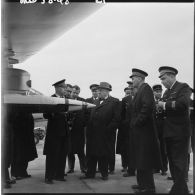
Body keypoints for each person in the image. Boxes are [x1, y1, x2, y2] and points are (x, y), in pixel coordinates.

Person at [157, 66, 191, 194]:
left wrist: (164, 105)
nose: (162, 82)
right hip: (169, 132)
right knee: (173, 163)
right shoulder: (166, 92)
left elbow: (183, 104)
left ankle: (178, 190)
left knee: (179, 163)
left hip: (179, 132)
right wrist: (159, 107)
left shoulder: (183, 87)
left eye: (164, 78)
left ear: (172, 76)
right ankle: (181, 190)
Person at [128, 68, 162, 194]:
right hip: (139, 132)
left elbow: (147, 107)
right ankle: (141, 184)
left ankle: (149, 188)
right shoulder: (139, 91)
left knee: (145, 160)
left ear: (140, 78)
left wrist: (137, 122)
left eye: (133, 78)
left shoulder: (146, 88)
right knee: (139, 159)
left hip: (144, 132)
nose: (132, 81)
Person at [81, 82, 120, 180]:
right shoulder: (96, 102)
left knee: (103, 154)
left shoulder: (114, 102)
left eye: (100, 90)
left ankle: (104, 174)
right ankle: (90, 173)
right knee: (91, 154)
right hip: (93, 133)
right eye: (98, 90)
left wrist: (108, 130)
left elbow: (116, 119)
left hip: (105, 134)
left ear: (106, 91)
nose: (98, 92)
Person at [43, 79, 69, 184]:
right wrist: (55, 113)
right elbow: (46, 115)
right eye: (63, 88)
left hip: (64, 132)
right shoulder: (50, 99)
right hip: (54, 133)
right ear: (57, 88)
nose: (65, 90)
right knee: (52, 155)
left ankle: (59, 175)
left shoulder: (66, 100)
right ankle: (48, 177)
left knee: (63, 154)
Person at [11, 112, 38, 180]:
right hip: (19, 137)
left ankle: (23, 172)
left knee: (25, 156)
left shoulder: (28, 112)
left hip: (27, 136)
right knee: (18, 156)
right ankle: (15, 174)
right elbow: (15, 125)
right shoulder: (16, 112)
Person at [116, 83, 135, 177]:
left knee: (135, 149)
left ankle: (135, 167)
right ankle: (125, 166)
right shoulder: (125, 100)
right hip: (126, 129)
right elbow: (121, 114)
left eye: (132, 87)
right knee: (125, 148)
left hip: (137, 128)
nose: (131, 89)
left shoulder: (140, 97)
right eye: (130, 88)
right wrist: (123, 125)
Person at [67, 85, 87, 174]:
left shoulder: (83, 101)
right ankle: (71, 168)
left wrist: (83, 123)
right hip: (69, 131)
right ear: (71, 92)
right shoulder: (67, 101)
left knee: (81, 151)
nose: (75, 94)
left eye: (77, 93)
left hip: (79, 131)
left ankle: (84, 168)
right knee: (70, 151)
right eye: (74, 92)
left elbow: (87, 114)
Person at [152, 84, 168, 176]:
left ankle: (164, 168)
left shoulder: (164, 101)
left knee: (163, 148)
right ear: (153, 92)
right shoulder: (151, 101)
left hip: (163, 128)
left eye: (160, 91)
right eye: (157, 91)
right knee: (155, 148)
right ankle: (156, 167)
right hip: (154, 128)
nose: (159, 93)